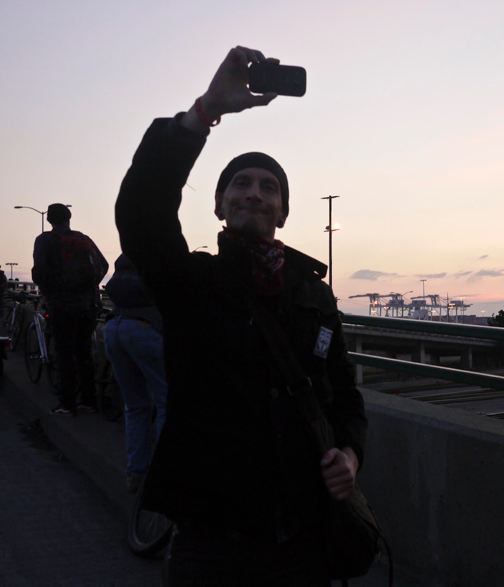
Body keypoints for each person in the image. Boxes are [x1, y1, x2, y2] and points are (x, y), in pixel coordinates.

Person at [116, 46, 367, 585]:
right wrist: (206, 111)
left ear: (283, 210)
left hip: (304, 538)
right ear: (219, 204)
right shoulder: (192, 282)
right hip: (212, 542)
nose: (254, 193)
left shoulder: (313, 296)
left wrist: (350, 454)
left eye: (268, 187)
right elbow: (142, 212)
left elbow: (344, 394)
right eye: (241, 184)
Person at [32, 203, 108, 415]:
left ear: (49, 220)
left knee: (65, 353)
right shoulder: (83, 239)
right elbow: (103, 264)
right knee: (84, 351)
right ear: (69, 218)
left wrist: (51, 291)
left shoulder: (45, 240)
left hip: (61, 305)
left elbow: (39, 272)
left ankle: (68, 403)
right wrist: (88, 288)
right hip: (88, 305)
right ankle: (89, 401)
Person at [103, 254, 167, 493]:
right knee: (166, 402)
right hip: (144, 331)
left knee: (135, 404)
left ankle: (136, 471)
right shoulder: (161, 260)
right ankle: (164, 471)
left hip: (114, 328)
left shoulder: (125, 263)